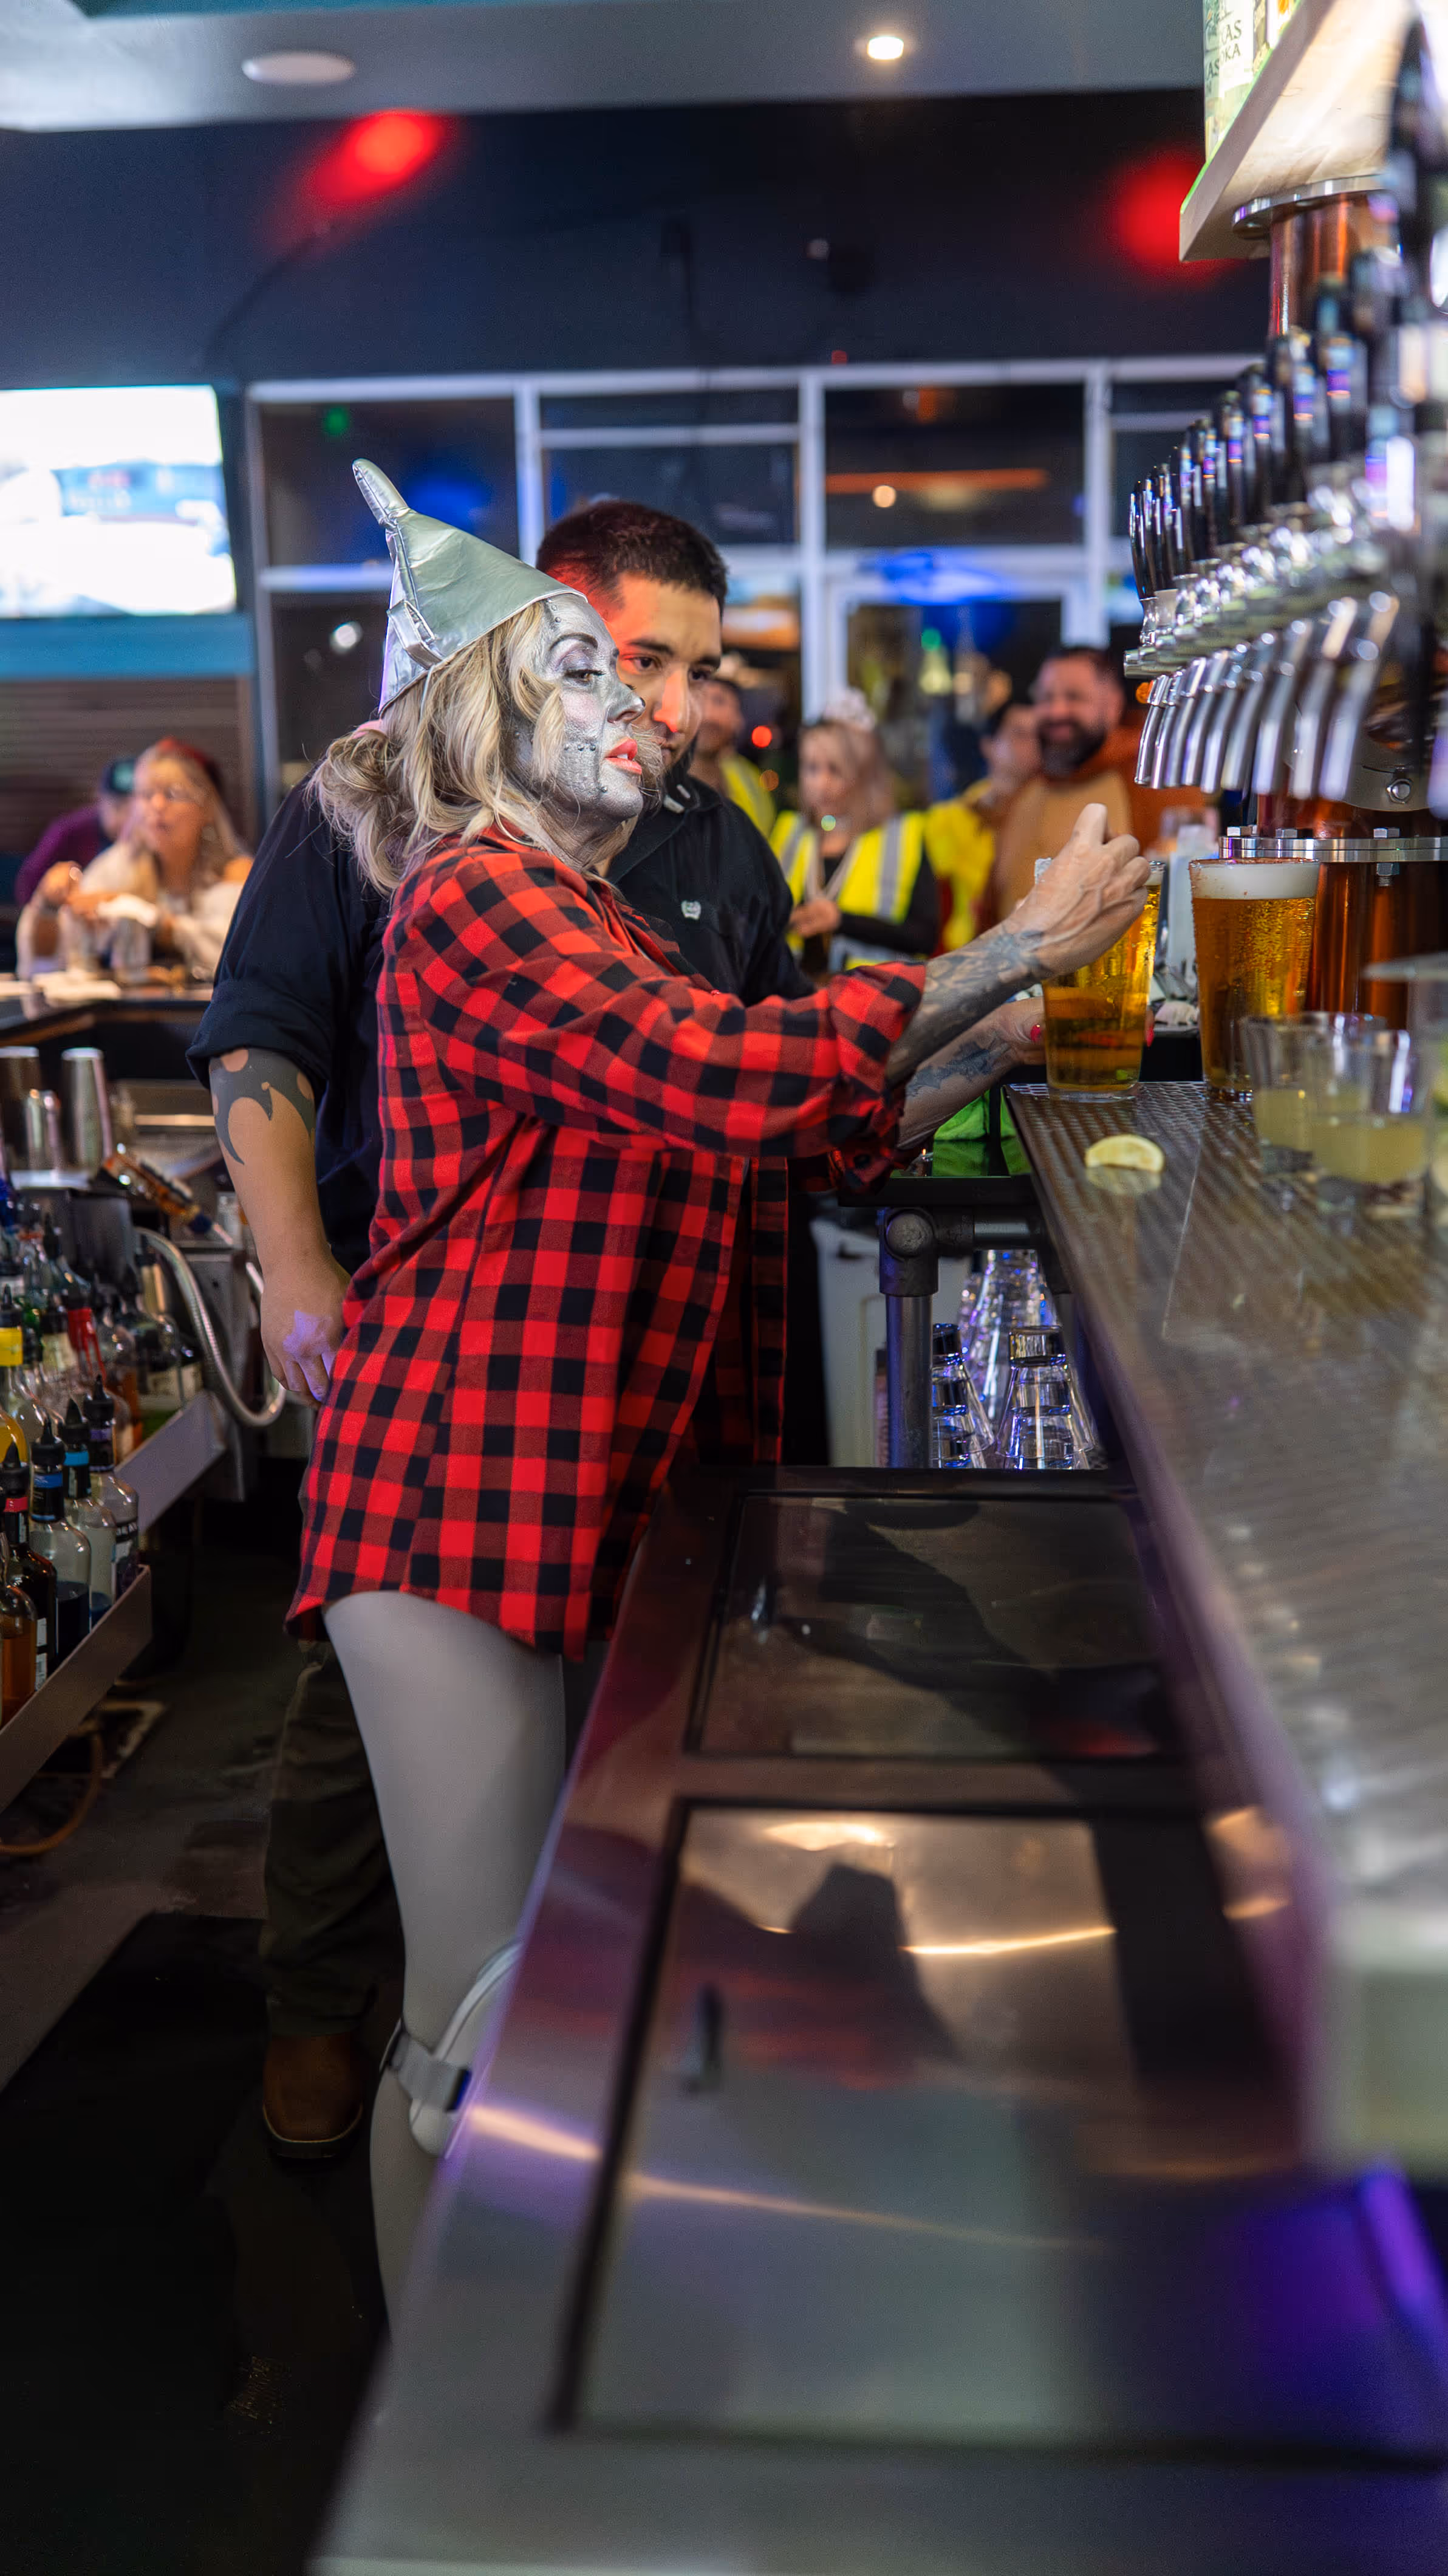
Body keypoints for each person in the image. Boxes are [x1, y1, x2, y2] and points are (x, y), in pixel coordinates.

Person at [279, 464, 1146, 2309]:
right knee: (471, 2027)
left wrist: (986, 1037)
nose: (640, 711)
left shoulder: (589, 909)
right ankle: (431, 2412)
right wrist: (1012, 948)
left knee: (539, 1987)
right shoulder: (475, 897)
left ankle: (510, 2355)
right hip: (448, 1496)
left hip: (562, 1486)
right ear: (480, 717)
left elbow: (778, 1133)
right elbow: (717, 1078)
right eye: (584, 675)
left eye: (641, 676)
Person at [193, 497, 817, 2167]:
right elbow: (261, 1031)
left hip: (634, 1372)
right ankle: (319, 2011)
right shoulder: (394, 799)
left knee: (594, 1725)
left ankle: (554, 2060)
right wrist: (296, 1264)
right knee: (382, 1706)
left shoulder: (710, 841)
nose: (671, 704)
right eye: (639, 659)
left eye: (696, 670)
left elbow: (765, 1062)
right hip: (452, 1346)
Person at [985, 645, 1209, 923]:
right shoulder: (1027, 789)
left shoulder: (1154, 784)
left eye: (1074, 697)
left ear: (1112, 706)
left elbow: (1180, 905)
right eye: (1046, 697)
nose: (1056, 711)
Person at [18, 737, 251, 980]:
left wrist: (150, 920)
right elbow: (51, 959)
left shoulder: (235, 872)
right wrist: (48, 906)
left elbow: (233, 953)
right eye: (146, 794)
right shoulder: (120, 864)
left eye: (173, 793)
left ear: (208, 808)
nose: (157, 805)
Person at [772, 693, 938, 975]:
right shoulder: (789, 832)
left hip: (876, 994)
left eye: (835, 770)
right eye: (811, 768)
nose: (821, 783)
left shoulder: (903, 836)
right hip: (794, 991)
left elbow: (924, 936)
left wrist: (842, 921)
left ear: (863, 773)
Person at [924, 699, 1040, 951]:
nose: (1033, 745)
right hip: (967, 954)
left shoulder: (1053, 814)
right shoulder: (951, 819)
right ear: (989, 745)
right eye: (1020, 734)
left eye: (1039, 735)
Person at [14, 758, 135, 908]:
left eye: (133, 810)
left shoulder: (148, 839)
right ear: (99, 799)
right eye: (117, 807)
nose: (125, 819)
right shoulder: (69, 832)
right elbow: (28, 885)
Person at [689, 671, 776, 834]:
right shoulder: (663, 774)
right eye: (700, 700)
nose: (708, 715)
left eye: (719, 701)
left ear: (739, 720)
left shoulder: (749, 780)